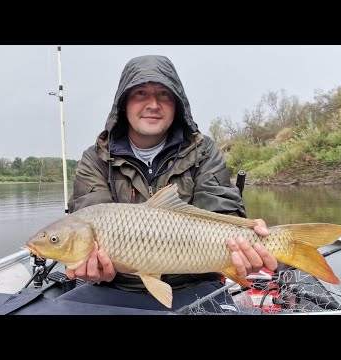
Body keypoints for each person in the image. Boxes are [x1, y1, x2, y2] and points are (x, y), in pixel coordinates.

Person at [57, 54, 278, 313]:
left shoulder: (203, 151)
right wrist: (95, 270)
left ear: (177, 104)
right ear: (123, 103)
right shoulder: (96, 158)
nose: (153, 104)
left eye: (164, 94)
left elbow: (222, 214)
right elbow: (91, 214)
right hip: (115, 288)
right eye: (140, 93)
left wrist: (243, 247)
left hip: (195, 286)